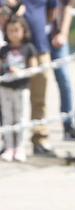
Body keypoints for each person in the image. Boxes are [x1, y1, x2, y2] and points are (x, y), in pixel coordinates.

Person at [9, 0, 58, 156]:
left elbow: (52, 9)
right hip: (11, 51)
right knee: (8, 98)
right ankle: (9, 141)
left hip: (39, 47)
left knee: (39, 97)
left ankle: (40, 139)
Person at [31, 0, 75, 140]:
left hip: (56, 33)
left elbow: (68, 2)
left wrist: (64, 32)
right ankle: (34, 132)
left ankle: (69, 125)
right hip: (33, 35)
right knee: (34, 81)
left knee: (64, 79)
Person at [0, 15, 37, 162]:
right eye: (10, 31)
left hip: (22, 88)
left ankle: (20, 147)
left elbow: (34, 67)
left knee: (22, 117)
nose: (13, 34)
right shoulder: (4, 49)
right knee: (8, 118)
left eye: (16, 30)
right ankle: (9, 147)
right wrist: (7, 69)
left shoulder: (29, 48)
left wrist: (21, 72)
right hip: (5, 88)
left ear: (23, 31)